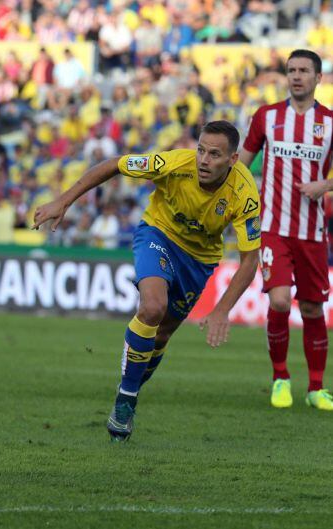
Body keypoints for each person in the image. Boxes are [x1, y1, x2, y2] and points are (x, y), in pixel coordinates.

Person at [33, 121, 261, 442]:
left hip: (199, 260)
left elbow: (251, 260)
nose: (203, 160)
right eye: (200, 150)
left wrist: (222, 309)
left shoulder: (245, 194)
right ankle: (125, 400)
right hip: (158, 234)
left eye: (214, 154)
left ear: (233, 159)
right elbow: (115, 164)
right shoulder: (173, 163)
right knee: (153, 308)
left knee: (162, 335)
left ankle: (129, 390)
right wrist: (64, 200)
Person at [239, 49, 333, 411]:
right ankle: (280, 377)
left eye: (304, 71)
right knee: (279, 300)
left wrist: (323, 186)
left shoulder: (329, 122)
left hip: (312, 232)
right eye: (291, 70)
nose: (296, 76)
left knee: (312, 309)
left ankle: (316, 388)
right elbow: (242, 166)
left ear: (318, 78)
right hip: (272, 227)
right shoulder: (267, 117)